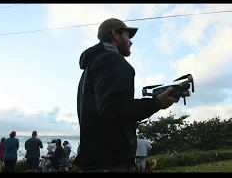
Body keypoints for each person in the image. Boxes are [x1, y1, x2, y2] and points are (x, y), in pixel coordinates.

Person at [74, 18, 179, 172]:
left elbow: (104, 111)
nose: (130, 42)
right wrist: (156, 103)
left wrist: (129, 124)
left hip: (95, 162)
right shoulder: (113, 59)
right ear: (115, 34)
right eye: (128, 36)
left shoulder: (92, 65)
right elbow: (112, 108)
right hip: (111, 163)